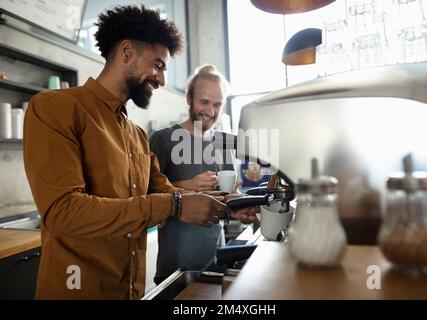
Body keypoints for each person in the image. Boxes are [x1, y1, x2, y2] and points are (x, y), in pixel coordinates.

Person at [23, 5, 256, 300]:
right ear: (127, 52)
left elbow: (167, 191)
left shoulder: (135, 135)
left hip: (129, 291)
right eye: (158, 65)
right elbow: (63, 212)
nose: (161, 80)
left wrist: (229, 203)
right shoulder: (55, 108)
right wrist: (174, 206)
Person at [150, 65, 248, 284]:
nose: (211, 112)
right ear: (189, 98)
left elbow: (229, 195)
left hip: (215, 262)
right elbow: (147, 196)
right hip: (174, 268)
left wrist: (243, 204)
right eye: (204, 102)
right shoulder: (163, 139)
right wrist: (188, 185)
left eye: (217, 104)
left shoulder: (224, 141)